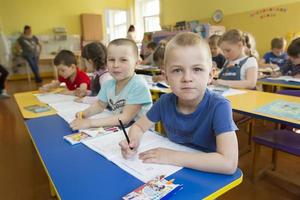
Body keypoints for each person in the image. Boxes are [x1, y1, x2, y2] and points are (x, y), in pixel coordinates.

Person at [119, 32, 238, 175]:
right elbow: (138, 126)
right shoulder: (165, 102)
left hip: (207, 172)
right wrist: (133, 141)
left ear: (210, 75)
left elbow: (229, 164)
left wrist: (172, 156)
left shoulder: (219, 106)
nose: (187, 78)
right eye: (177, 70)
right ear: (167, 77)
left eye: (197, 69)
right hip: (172, 171)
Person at [70, 38, 152, 130]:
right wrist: (84, 114)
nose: (116, 65)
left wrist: (90, 123)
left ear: (136, 63)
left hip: (143, 135)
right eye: (111, 59)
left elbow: (125, 118)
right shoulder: (108, 84)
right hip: (120, 130)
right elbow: (100, 105)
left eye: (123, 60)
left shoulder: (138, 85)